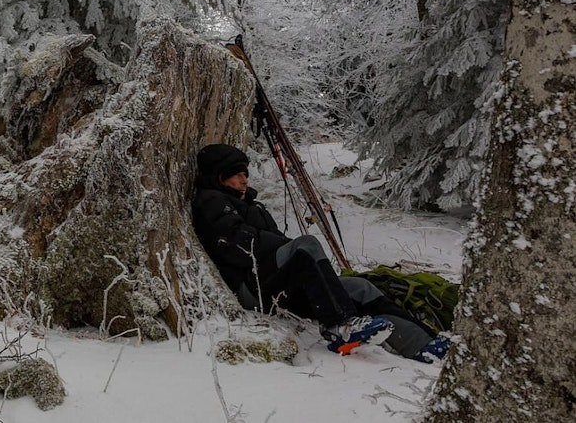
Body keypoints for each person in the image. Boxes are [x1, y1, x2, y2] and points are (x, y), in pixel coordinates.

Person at [191, 143, 448, 361]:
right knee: (305, 244)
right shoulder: (211, 200)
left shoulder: (247, 204)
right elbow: (238, 245)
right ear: (218, 176)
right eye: (235, 175)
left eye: (245, 173)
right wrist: (288, 248)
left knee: (360, 287)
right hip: (251, 288)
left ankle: (426, 344)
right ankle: (340, 326)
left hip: (276, 284)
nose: (244, 179)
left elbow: (265, 242)